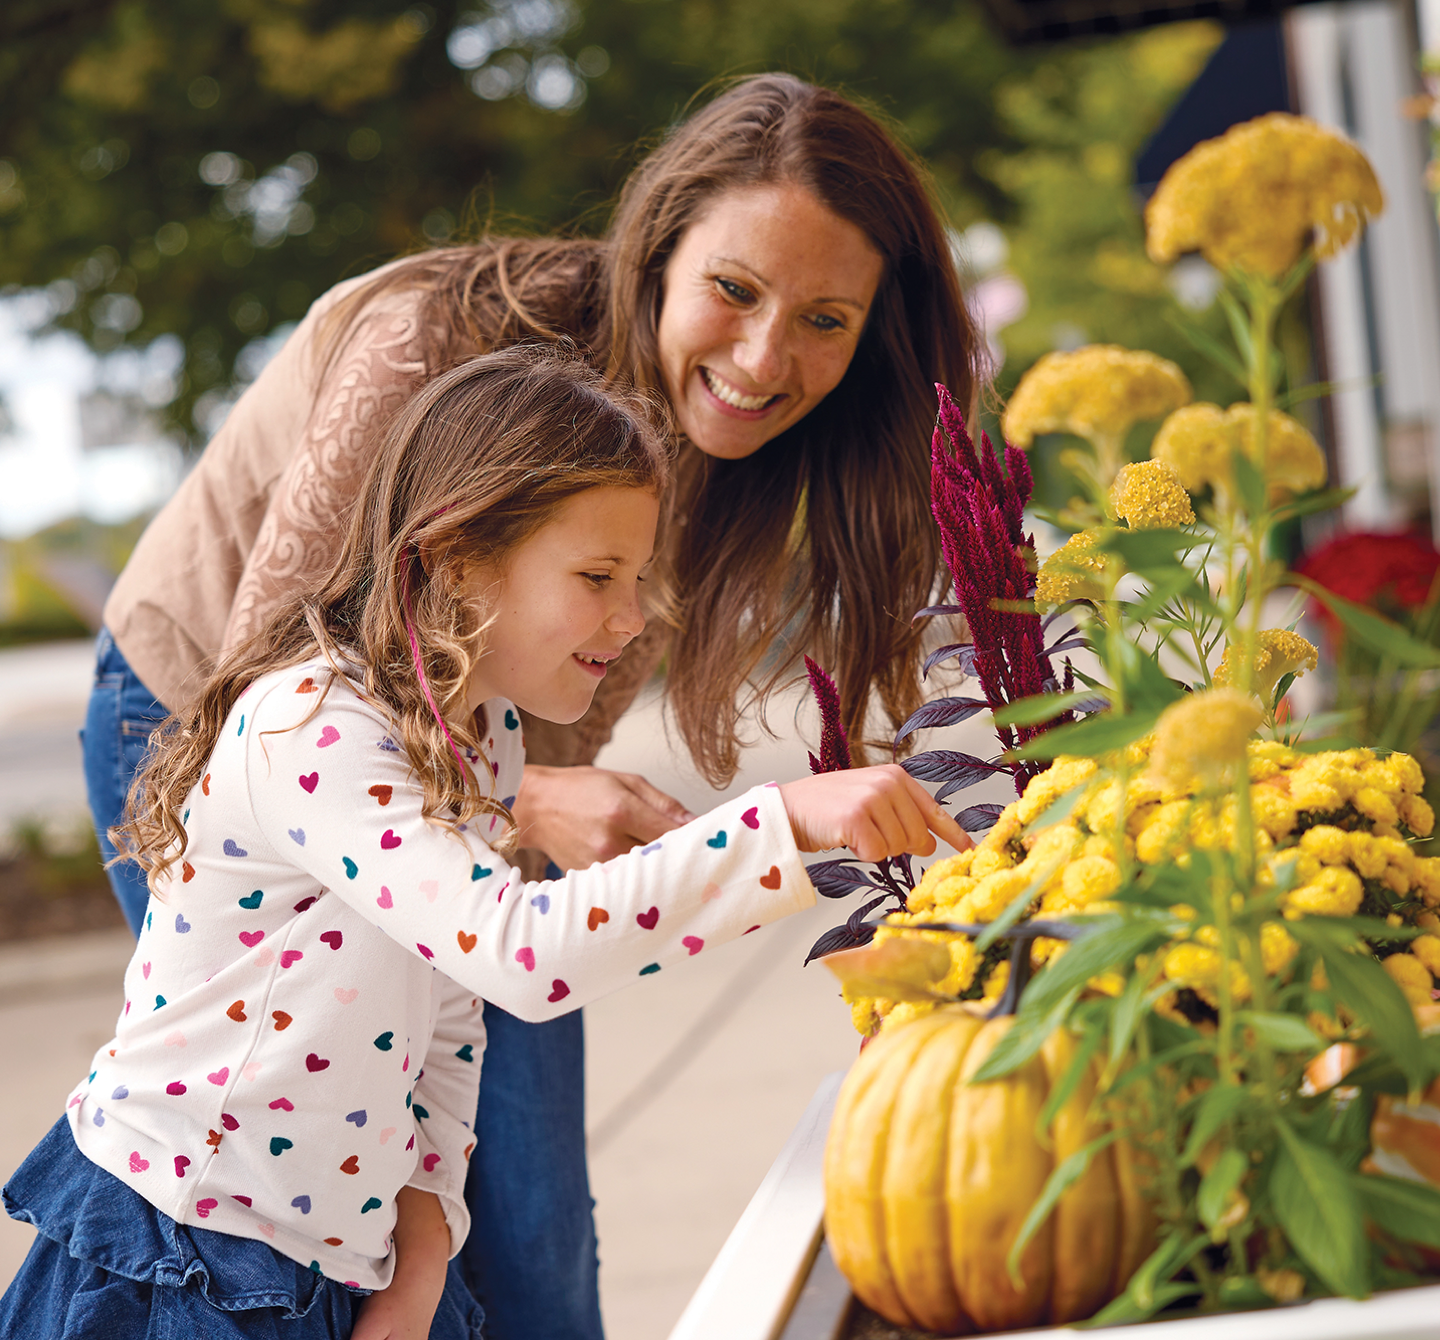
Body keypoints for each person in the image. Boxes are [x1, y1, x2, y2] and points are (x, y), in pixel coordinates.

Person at [81, 74, 983, 1337]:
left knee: (521, 1226)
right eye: (733, 289)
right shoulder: (435, 348)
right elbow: (273, 679)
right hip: (220, 707)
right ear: (658, 251)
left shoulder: (757, 446)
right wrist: (743, 823)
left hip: (456, 780)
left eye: (824, 318)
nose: (766, 355)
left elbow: (466, 1013)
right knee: (286, 1209)